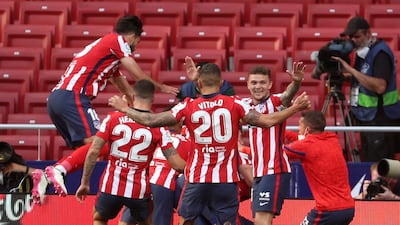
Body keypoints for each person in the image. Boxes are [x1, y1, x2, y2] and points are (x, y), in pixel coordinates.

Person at [108, 63, 311, 225]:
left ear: (199, 85)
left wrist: (125, 109)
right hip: (226, 179)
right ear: (222, 82)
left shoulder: (189, 106)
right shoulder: (236, 104)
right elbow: (267, 120)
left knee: (186, 219)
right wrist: (295, 109)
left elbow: (151, 121)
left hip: (198, 178)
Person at [32, 14, 179, 203]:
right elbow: (138, 75)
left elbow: (119, 81)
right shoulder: (117, 41)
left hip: (57, 99)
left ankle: (44, 178)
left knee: (86, 148)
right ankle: (58, 170)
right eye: (138, 41)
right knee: (98, 144)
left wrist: (132, 106)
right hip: (73, 97)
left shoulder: (107, 52)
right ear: (134, 36)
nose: (136, 46)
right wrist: (161, 87)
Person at [75, 79, 186, 225]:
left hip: (111, 186)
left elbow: (93, 152)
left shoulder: (112, 119)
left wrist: (84, 183)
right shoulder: (159, 128)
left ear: (133, 97)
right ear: (153, 99)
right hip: (139, 191)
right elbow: (176, 164)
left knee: (99, 218)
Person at [240, 63, 305, 225]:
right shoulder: (245, 105)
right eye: (254, 83)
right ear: (247, 84)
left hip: (274, 169)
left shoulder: (275, 102)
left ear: (270, 84)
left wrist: (296, 83)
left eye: (262, 82)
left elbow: (287, 95)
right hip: (258, 173)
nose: (258, 86)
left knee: (262, 219)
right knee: (260, 220)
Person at [334, 16, 400, 162]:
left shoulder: (380, 53)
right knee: (369, 164)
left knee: (380, 168)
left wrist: (351, 70)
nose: (353, 40)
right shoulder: (363, 52)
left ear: (368, 34)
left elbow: (380, 86)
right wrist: (342, 76)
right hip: (367, 117)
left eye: (357, 36)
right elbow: (363, 79)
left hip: (381, 118)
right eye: (350, 37)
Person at [284, 110, 355, 225]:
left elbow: (275, 154)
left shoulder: (305, 146)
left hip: (328, 211)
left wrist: (243, 149)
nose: (298, 129)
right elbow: (301, 140)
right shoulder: (332, 140)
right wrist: (280, 131)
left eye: (299, 126)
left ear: (307, 130)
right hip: (348, 209)